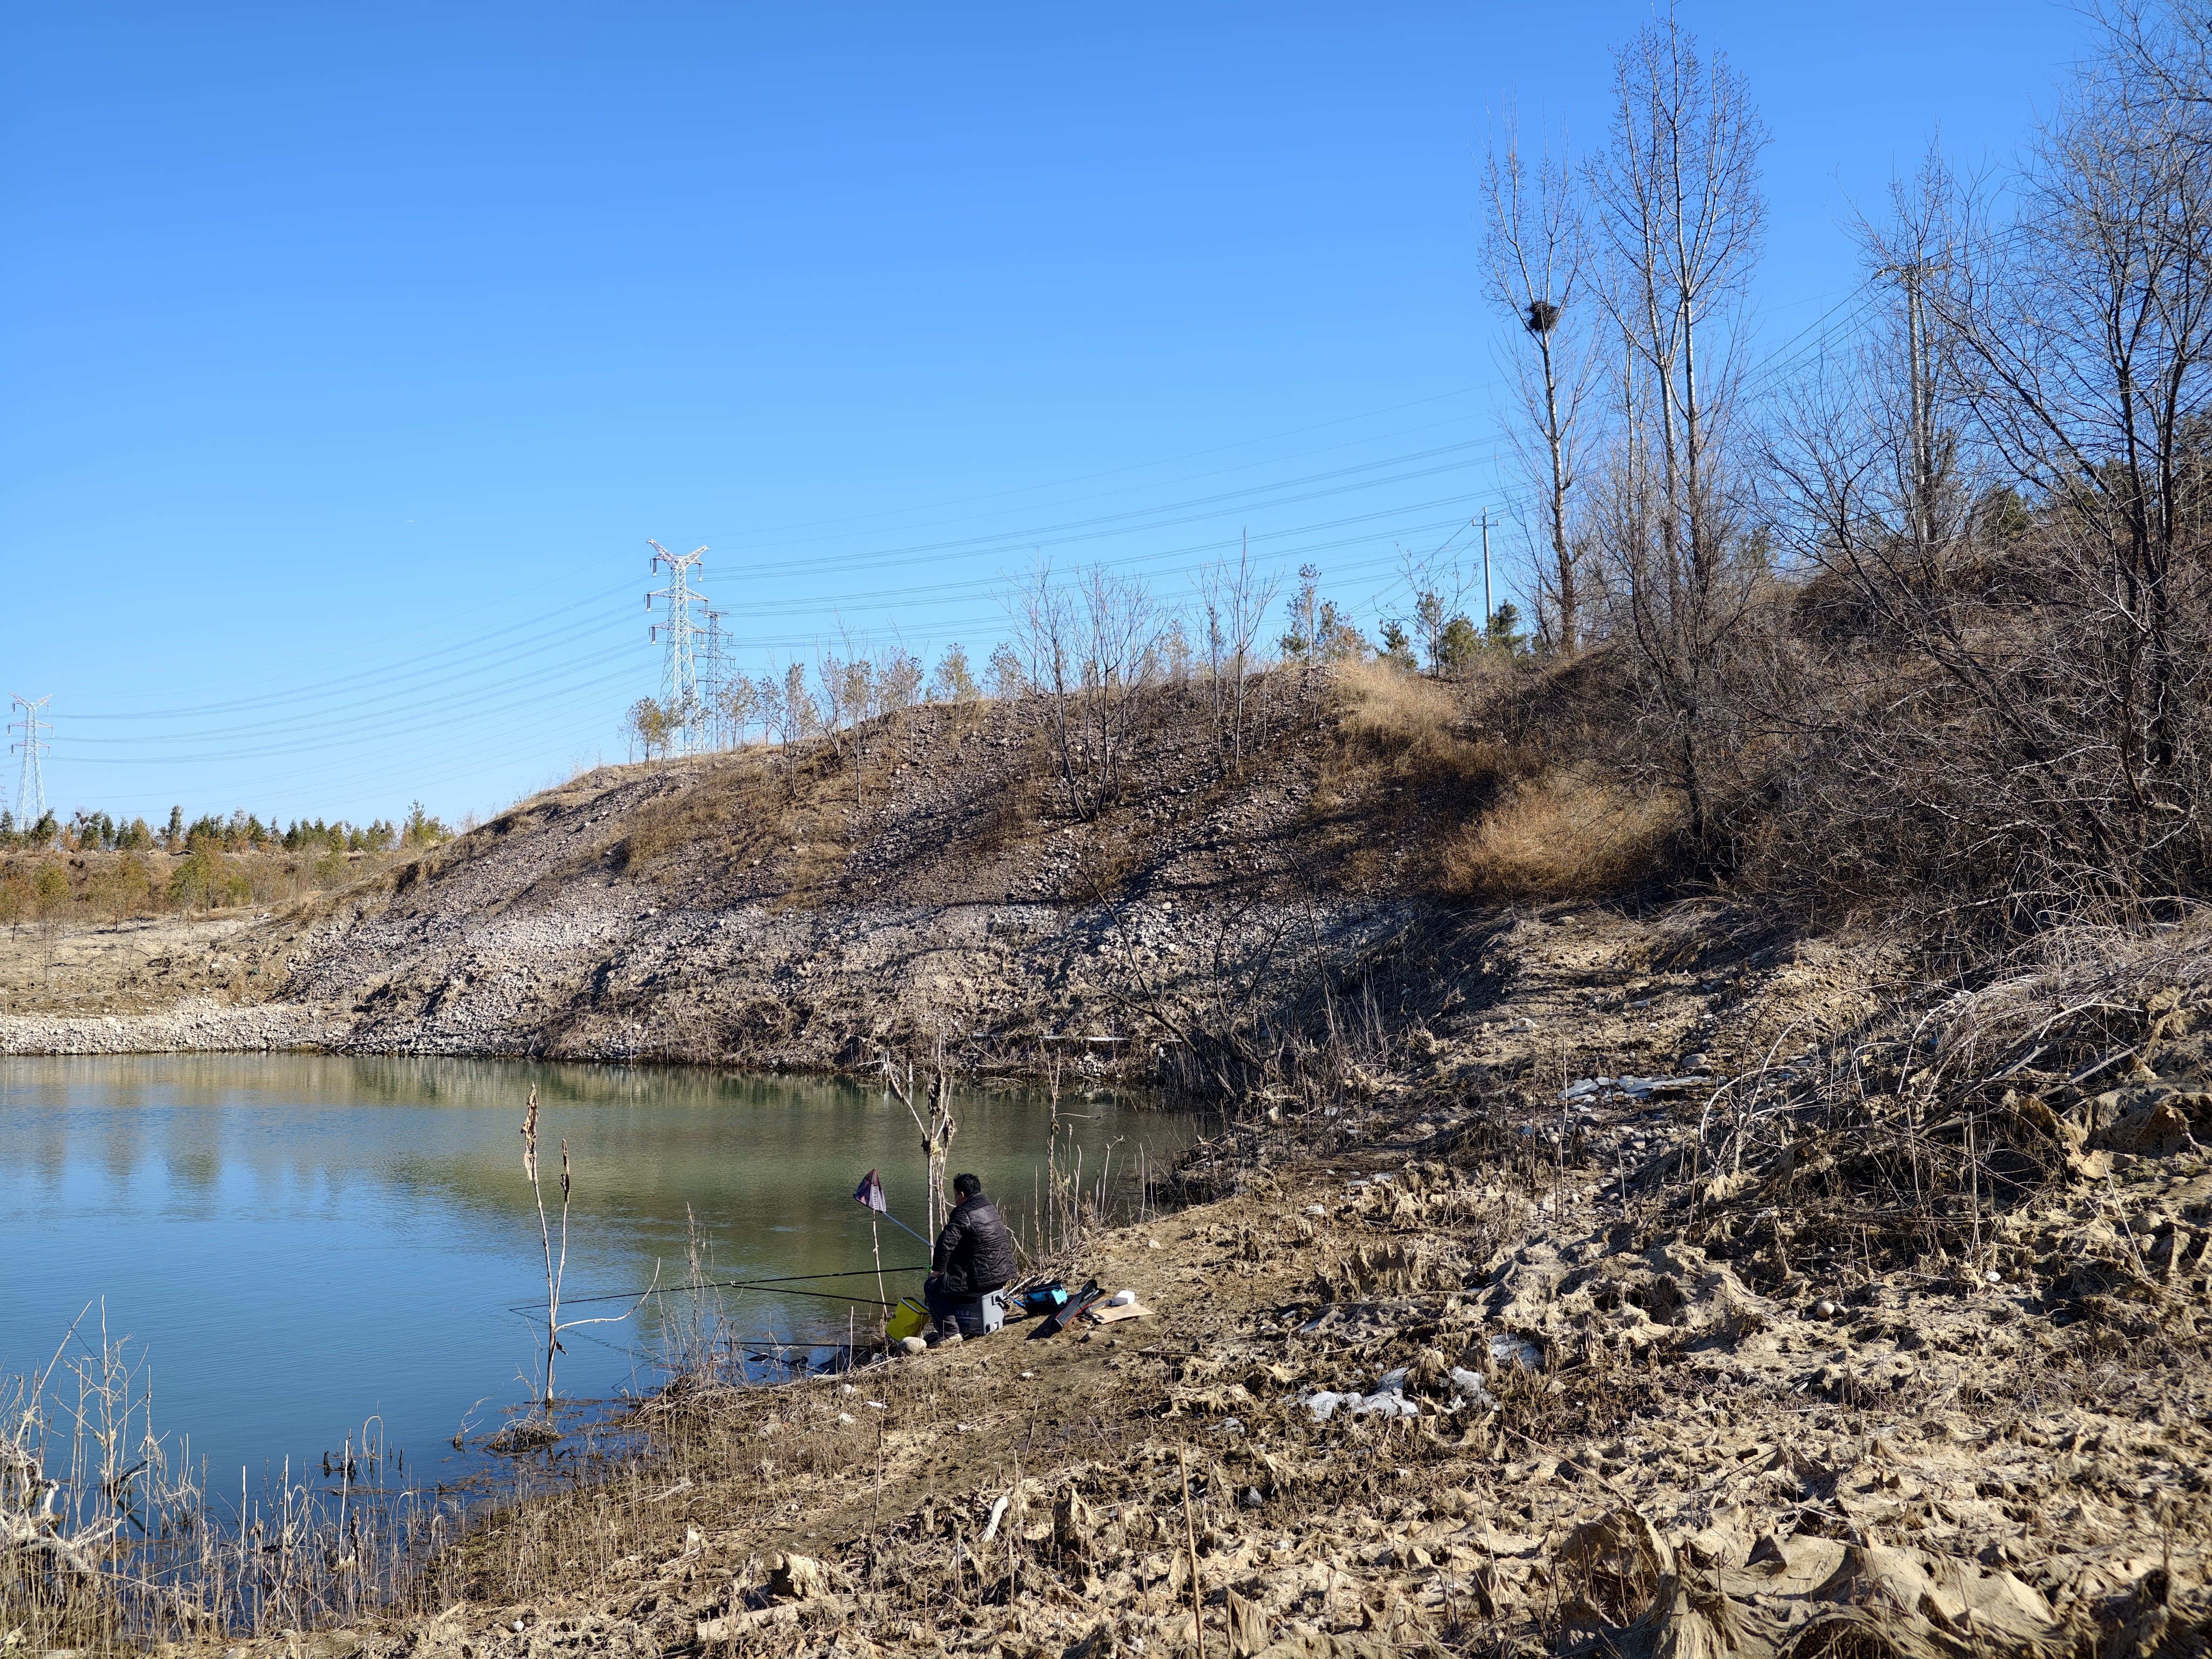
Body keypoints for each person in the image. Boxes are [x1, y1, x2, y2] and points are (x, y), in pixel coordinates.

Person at [923, 1172, 1014, 1339]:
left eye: (955, 1194)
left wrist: (938, 1271)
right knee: (948, 1280)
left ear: (962, 1195)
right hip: (1003, 1274)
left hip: (985, 1279)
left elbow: (945, 1244)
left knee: (932, 1287)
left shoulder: (963, 1213)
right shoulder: (990, 1208)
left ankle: (951, 1334)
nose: (956, 1198)